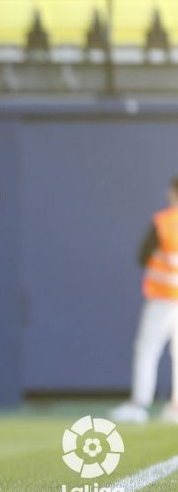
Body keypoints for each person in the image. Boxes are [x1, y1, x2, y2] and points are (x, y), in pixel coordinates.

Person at [109, 177, 178, 424]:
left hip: (163, 298)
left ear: (173, 193)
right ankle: (175, 408)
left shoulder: (164, 222)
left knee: (147, 350)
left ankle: (140, 404)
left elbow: (142, 257)